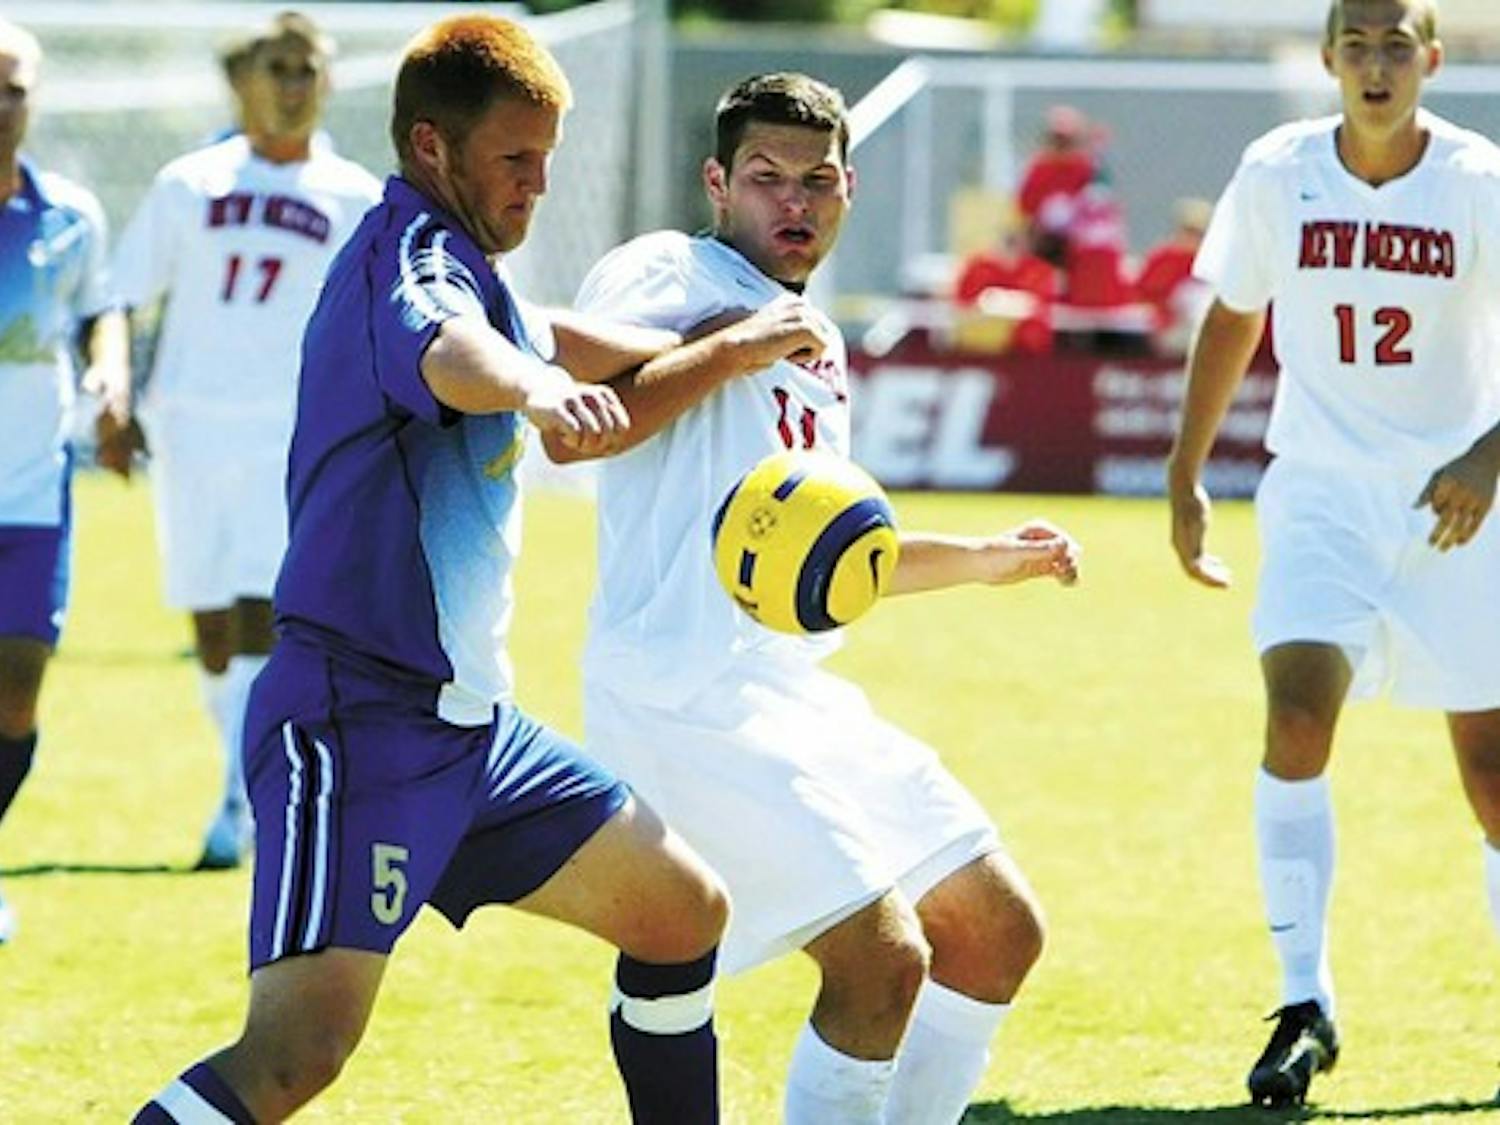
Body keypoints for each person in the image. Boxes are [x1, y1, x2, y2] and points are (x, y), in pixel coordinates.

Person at [132, 14, 728, 1123]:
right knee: (295, 1056)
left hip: (473, 731)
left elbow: (542, 332)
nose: (536, 187)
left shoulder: (467, 262)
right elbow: (458, 349)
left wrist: (724, 344)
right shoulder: (408, 255)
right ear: (430, 148)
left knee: (680, 910)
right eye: (515, 161)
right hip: (353, 723)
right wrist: (538, 393)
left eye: (547, 162)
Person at [556, 73, 1081, 1125]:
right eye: (765, 177)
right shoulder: (670, 268)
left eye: (817, 181)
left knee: (997, 932)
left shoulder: (820, 339)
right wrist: (736, 346)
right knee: (882, 963)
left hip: (789, 689)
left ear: (847, 191)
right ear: (717, 182)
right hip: (680, 691)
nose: (792, 201)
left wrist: (982, 558)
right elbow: (576, 399)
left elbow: (824, 555)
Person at [1167, 0, 1500, 1108]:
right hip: (1319, 493)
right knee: (1299, 714)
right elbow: (1232, 319)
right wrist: (1186, 473)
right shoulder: (1276, 171)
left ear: (1432, 61)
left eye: (1396, 43)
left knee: (1493, 775)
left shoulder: (1478, 181)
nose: (1375, 64)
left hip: (1460, 504)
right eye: (1355, 44)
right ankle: (1304, 1000)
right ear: (1325, 60)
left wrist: (1492, 454)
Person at [111, 11, 382, 870]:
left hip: (290, 433)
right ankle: (239, 776)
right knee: (209, 620)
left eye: (307, 69)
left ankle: (242, 799)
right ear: (247, 78)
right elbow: (124, 295)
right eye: (279, 68)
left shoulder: (354, 195)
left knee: (267, 610)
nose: (293, 84)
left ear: (329, 81)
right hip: (189, 425)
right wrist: (113, 386)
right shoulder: (189, 182)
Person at [0, 18, 131, 944]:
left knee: (14, 693)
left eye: (13, 87)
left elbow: (100, 311)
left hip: (33, 486)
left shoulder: (69, 215)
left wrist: (112, 375)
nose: (1, 105)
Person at [953, 220, 1056, 354]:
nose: (1012, 241)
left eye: (1018, 235)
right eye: (1008, 234)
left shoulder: (1040, 270)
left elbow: (1041, 305)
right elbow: (963, 302)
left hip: (1027, 350)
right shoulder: (978, 267)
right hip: (979, 347)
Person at [1133, 196, 1212, 355]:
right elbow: (1142, 298)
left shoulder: (1215, 261)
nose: (1192, 238)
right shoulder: (1163, 258)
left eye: (1199, 233)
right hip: (1167, 331)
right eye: (1189, 230)